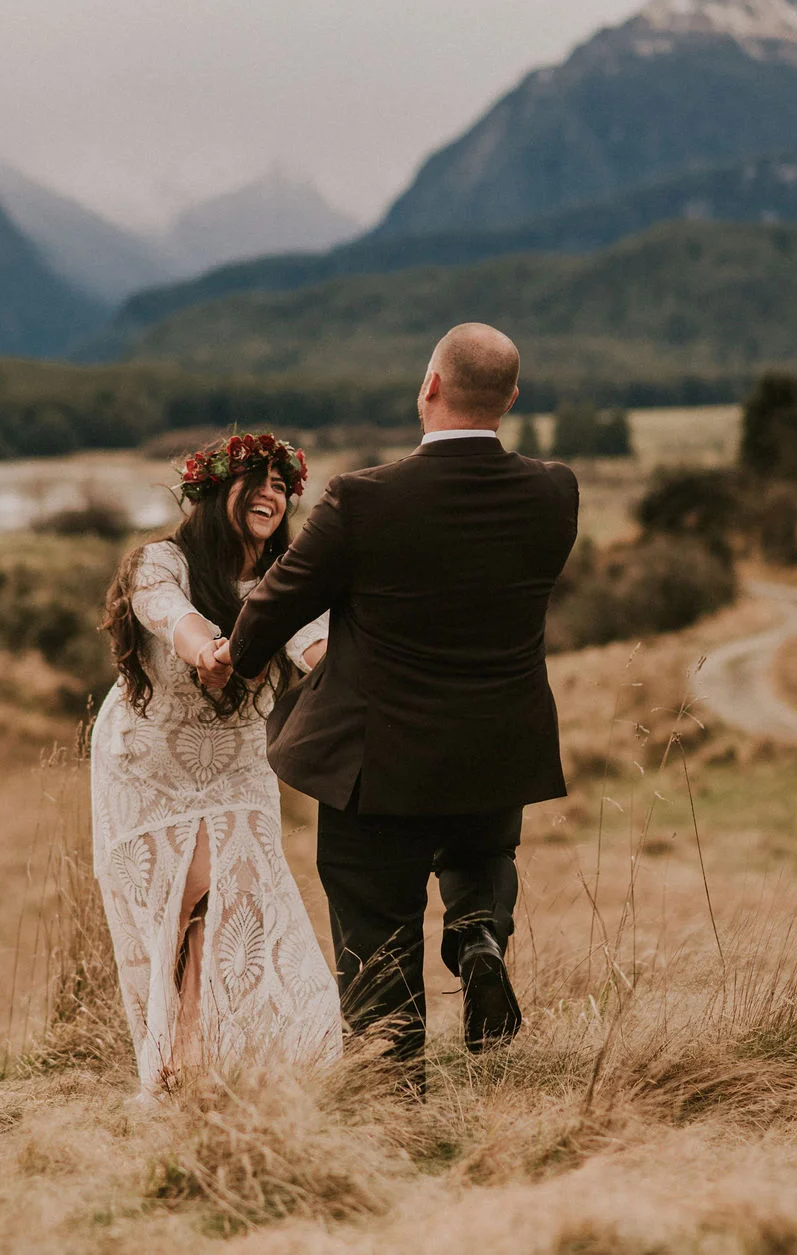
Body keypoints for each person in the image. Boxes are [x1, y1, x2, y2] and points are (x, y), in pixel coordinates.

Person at [208, 323, 578, 1092]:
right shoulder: (554, 492)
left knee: (376, 920)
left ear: (429, 386)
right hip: (496, 750)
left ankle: (391, 1088)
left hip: (380, 760)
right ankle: (479, 936)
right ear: (510, 399)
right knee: (482, 857)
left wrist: (235, 662)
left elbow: (279, 602)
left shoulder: (363, 500)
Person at [93, 433, 343, 1098]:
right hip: (144, 762)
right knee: (175, 910)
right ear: (212, 493)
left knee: (232, 904)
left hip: (235, 764)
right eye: (255, 480)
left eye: (281, 484)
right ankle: (179, 1052)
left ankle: (195, 1056)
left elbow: (310, 637)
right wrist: (208, 646)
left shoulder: (286, 577)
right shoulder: (161, 561)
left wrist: (342, 672)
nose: (272, 493)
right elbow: (167, 613)